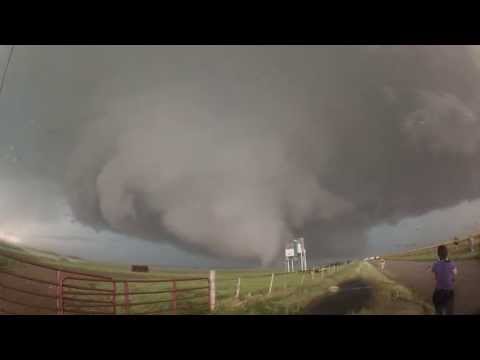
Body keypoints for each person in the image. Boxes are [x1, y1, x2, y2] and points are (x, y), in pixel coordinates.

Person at [431, 245, 457, 315]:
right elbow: (455, 273)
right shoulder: (452, 263)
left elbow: (436, 275)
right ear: (447, 253)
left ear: (438, 254)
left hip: (438, 291)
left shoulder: (435, 264)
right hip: (449, 291)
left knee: (438, 309)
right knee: (449, 310)